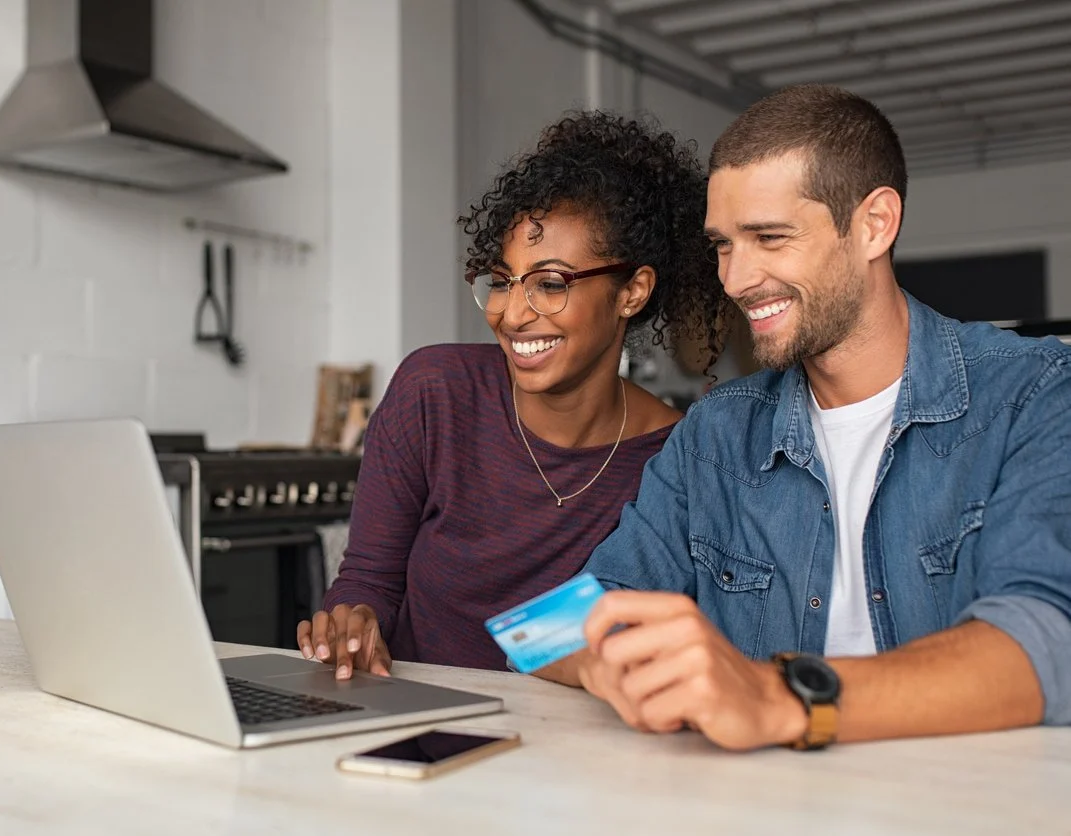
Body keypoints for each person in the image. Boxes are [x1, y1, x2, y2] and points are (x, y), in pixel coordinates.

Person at [539, 83, 1071, 750]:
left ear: (874, 224)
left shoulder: (1037, 391)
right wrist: (613, 661)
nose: (733, 279)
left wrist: (775, 695)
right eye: (723, 245)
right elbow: (545, 629)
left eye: (768, 237)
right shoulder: (713, 434)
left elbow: (1046, 642)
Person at [297, 111, 729, 678]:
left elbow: (613, 633)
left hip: (559, 756)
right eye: (502, 281)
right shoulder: (435, 393)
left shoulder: (676, 459)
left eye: (550, 284)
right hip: (405, 739)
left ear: (632, 292)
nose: (512, 313)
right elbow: (367, 581)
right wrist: (349, 627)